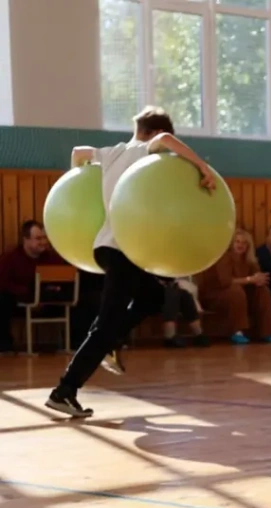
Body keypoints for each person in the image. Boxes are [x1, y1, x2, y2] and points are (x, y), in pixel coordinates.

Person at [45, 106, 216, 418]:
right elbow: (166, 140)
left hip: (108, 247)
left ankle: (112, 342)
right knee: (106, 324)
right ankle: (65, 389)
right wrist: (202, 167)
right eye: (162, 140)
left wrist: (83, 184)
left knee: (153, 295)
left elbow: (77, 153)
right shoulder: (145, 152)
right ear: (155, 133)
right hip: (123, 248)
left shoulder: (112, 152)